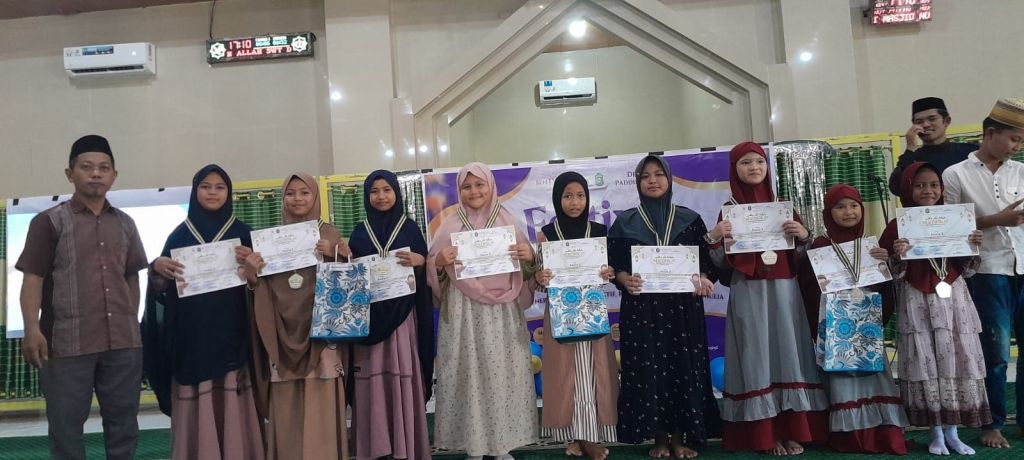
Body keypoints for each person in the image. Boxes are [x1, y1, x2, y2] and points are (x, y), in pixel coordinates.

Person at [16, 135, 148, 459]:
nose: (95, 174)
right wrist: (31, 329)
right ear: (70, 174)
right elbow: (33, 278)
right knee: (65, 429)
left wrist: (131, 322)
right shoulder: (48, 222)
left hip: (122, 345)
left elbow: (131, 277)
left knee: (124, 426)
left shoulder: (126, 224)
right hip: (67, 345)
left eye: (104, 168)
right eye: (86, 167)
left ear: (114, 175)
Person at [709, 142, 828, 455]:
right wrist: (717, 238)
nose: (754, 168)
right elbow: (720, 264)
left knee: (789, 352)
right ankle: (765, 434)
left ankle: (792, 430)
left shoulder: (782, 208)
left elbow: (803, 258)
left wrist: (803, 235)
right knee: (756, 355)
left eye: (759, 162)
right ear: (734, 169)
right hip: (748, 291)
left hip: (784, 290)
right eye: (745, 162)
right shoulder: (730, 210)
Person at [143, 164, 264, 459]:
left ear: (229, 192)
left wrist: (253, 269)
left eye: (219, 187)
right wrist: (156, 269)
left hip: (234, 335)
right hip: (192, 338)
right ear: (195, 191)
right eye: (206, 186)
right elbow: (162, 292)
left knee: (233, 397)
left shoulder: (244, 235)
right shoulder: (178, 237)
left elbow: (261, 290)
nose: (212, 192)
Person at [607, 155, 721, 458]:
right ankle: (658, 438)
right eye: (645, 176)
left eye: (658, 174)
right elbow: (613, 264)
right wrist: (623, 279)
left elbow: (706, 261)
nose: (652, 181)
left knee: (683, 367)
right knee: (648, 369)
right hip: (641, 309)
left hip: (682, 310)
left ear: (669, 179)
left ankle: (680, 437)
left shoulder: (690, 219)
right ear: (638, 182)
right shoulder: (625, 222)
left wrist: (703, 278)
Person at [427, 162, 537, 459]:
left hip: (502, 314)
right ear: (459, 190)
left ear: (491, 186)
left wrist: (529, 256)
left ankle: (502, 446)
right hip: (464, 314)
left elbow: (530, 269)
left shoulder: (507, 221)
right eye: (467, 186)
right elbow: (433, 269)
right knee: (469, 374)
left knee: (503, 375)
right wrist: (439, 262)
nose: (474, 191)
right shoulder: (449, 225)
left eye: (480, 184)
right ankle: (474, 447)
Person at [881, 162, 990, 455]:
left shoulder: (955, 219)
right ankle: (936, 434)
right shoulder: (897, 226)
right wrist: (898, 255)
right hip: (916, 299)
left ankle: (953, 433)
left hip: (953, 299)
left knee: (955, 357)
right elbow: (889, 274)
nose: (927, 191)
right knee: (925, 359)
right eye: (919, 186)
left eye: (933, 185)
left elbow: (968, 270)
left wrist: (972, 245)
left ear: (941, 188)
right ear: (907, 189)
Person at [243, 173, 349, 460]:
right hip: (281, 332)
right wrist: (252, 276)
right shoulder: (270, 240)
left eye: (305, 192)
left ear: (315, 196)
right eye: (290, 193)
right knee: (286, 402)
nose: (298, 198)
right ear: (283, 198)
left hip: (321, 332)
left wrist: (336, 256)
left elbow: (345, 284)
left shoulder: (330, 234)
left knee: (321, 400)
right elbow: (261, 286)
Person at [801, 184, 908, 454]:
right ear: (828, 212)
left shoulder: (870, 246)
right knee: (842, 380)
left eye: (854, 206)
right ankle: (849, 437)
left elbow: (885, 287)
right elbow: (808, 289)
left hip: (866, 323)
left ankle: (884, 434)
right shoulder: (820, 246)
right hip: (837, 327)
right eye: (839, 207)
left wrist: (887, 262)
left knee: (875, 375)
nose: (848, 212)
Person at [942, 97, 1024, 449]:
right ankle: (992, 424)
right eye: (1014, 139)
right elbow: (948, 226)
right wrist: (995, 220)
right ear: (990, 133)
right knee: (996, 353)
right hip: (988, 270)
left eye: (1021, 141)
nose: (1017, 147)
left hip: (1023, 264)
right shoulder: (955, 174)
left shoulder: (1021, 172)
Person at [347, 170, 433, 460]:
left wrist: (421, 261)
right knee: (372, 379)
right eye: (374, 191)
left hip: (402, 319)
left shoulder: (409, 229)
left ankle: (405, 448)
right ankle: (376, 448)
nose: (381, 196)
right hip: (369, 322)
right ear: (366, 196)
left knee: (401, 374)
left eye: (386, 190)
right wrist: (346, 258)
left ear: (396, 192)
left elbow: (425, 269)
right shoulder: (359, 232)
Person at [533, 172, 618, 460]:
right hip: (561, 313)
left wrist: (609, 273)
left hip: (591, 311)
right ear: (557, 199)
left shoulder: (599, 231)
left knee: (593, 371)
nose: (574, 202)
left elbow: (608, 272)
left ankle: (588, 435)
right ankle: (579, 436)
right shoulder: (547, 234)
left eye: (580, 196)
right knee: (566, 373)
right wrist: (540, 277)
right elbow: (538, 280)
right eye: (567, 196)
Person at [888, 97, 978, 195]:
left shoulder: (969, 152)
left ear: (946, 121)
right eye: (919, 122)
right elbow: (896, 188)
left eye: (932, 119)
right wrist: (910, 148)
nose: (926, 125)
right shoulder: (912, 158)